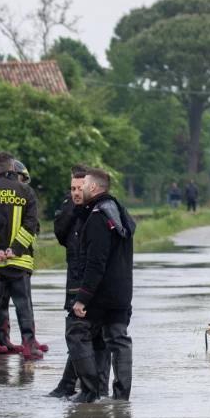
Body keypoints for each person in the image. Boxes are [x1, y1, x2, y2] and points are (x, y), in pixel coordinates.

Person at [68, 168, 135, 402]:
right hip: (122, 291)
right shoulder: (119, 211)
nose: (80, 188)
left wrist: (82, 298)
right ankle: (121, 395)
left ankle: (89, 391)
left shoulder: (98, 216)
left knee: (76, 332)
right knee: (118, 338)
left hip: (102, 293)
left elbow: (96, 262)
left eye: (83, 184)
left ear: (94, 187)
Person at [48, 165, 111, 399]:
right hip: (74, 277)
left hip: (92, 283)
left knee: (85, 334)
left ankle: (87, 387)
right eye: (72, 188)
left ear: (89, 186)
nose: (76, 192)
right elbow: (60, 235)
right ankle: (81, 387)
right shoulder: (71, 209)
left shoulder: (99, 211)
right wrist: (73, 210)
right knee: (83, 334)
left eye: (79, 188)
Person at [0, 152, 47, 360]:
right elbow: (30, 226)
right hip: (19, 261)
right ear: (12, 167)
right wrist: (15, 250)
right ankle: (29, 344)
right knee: (23, 304)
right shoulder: (26, 191)